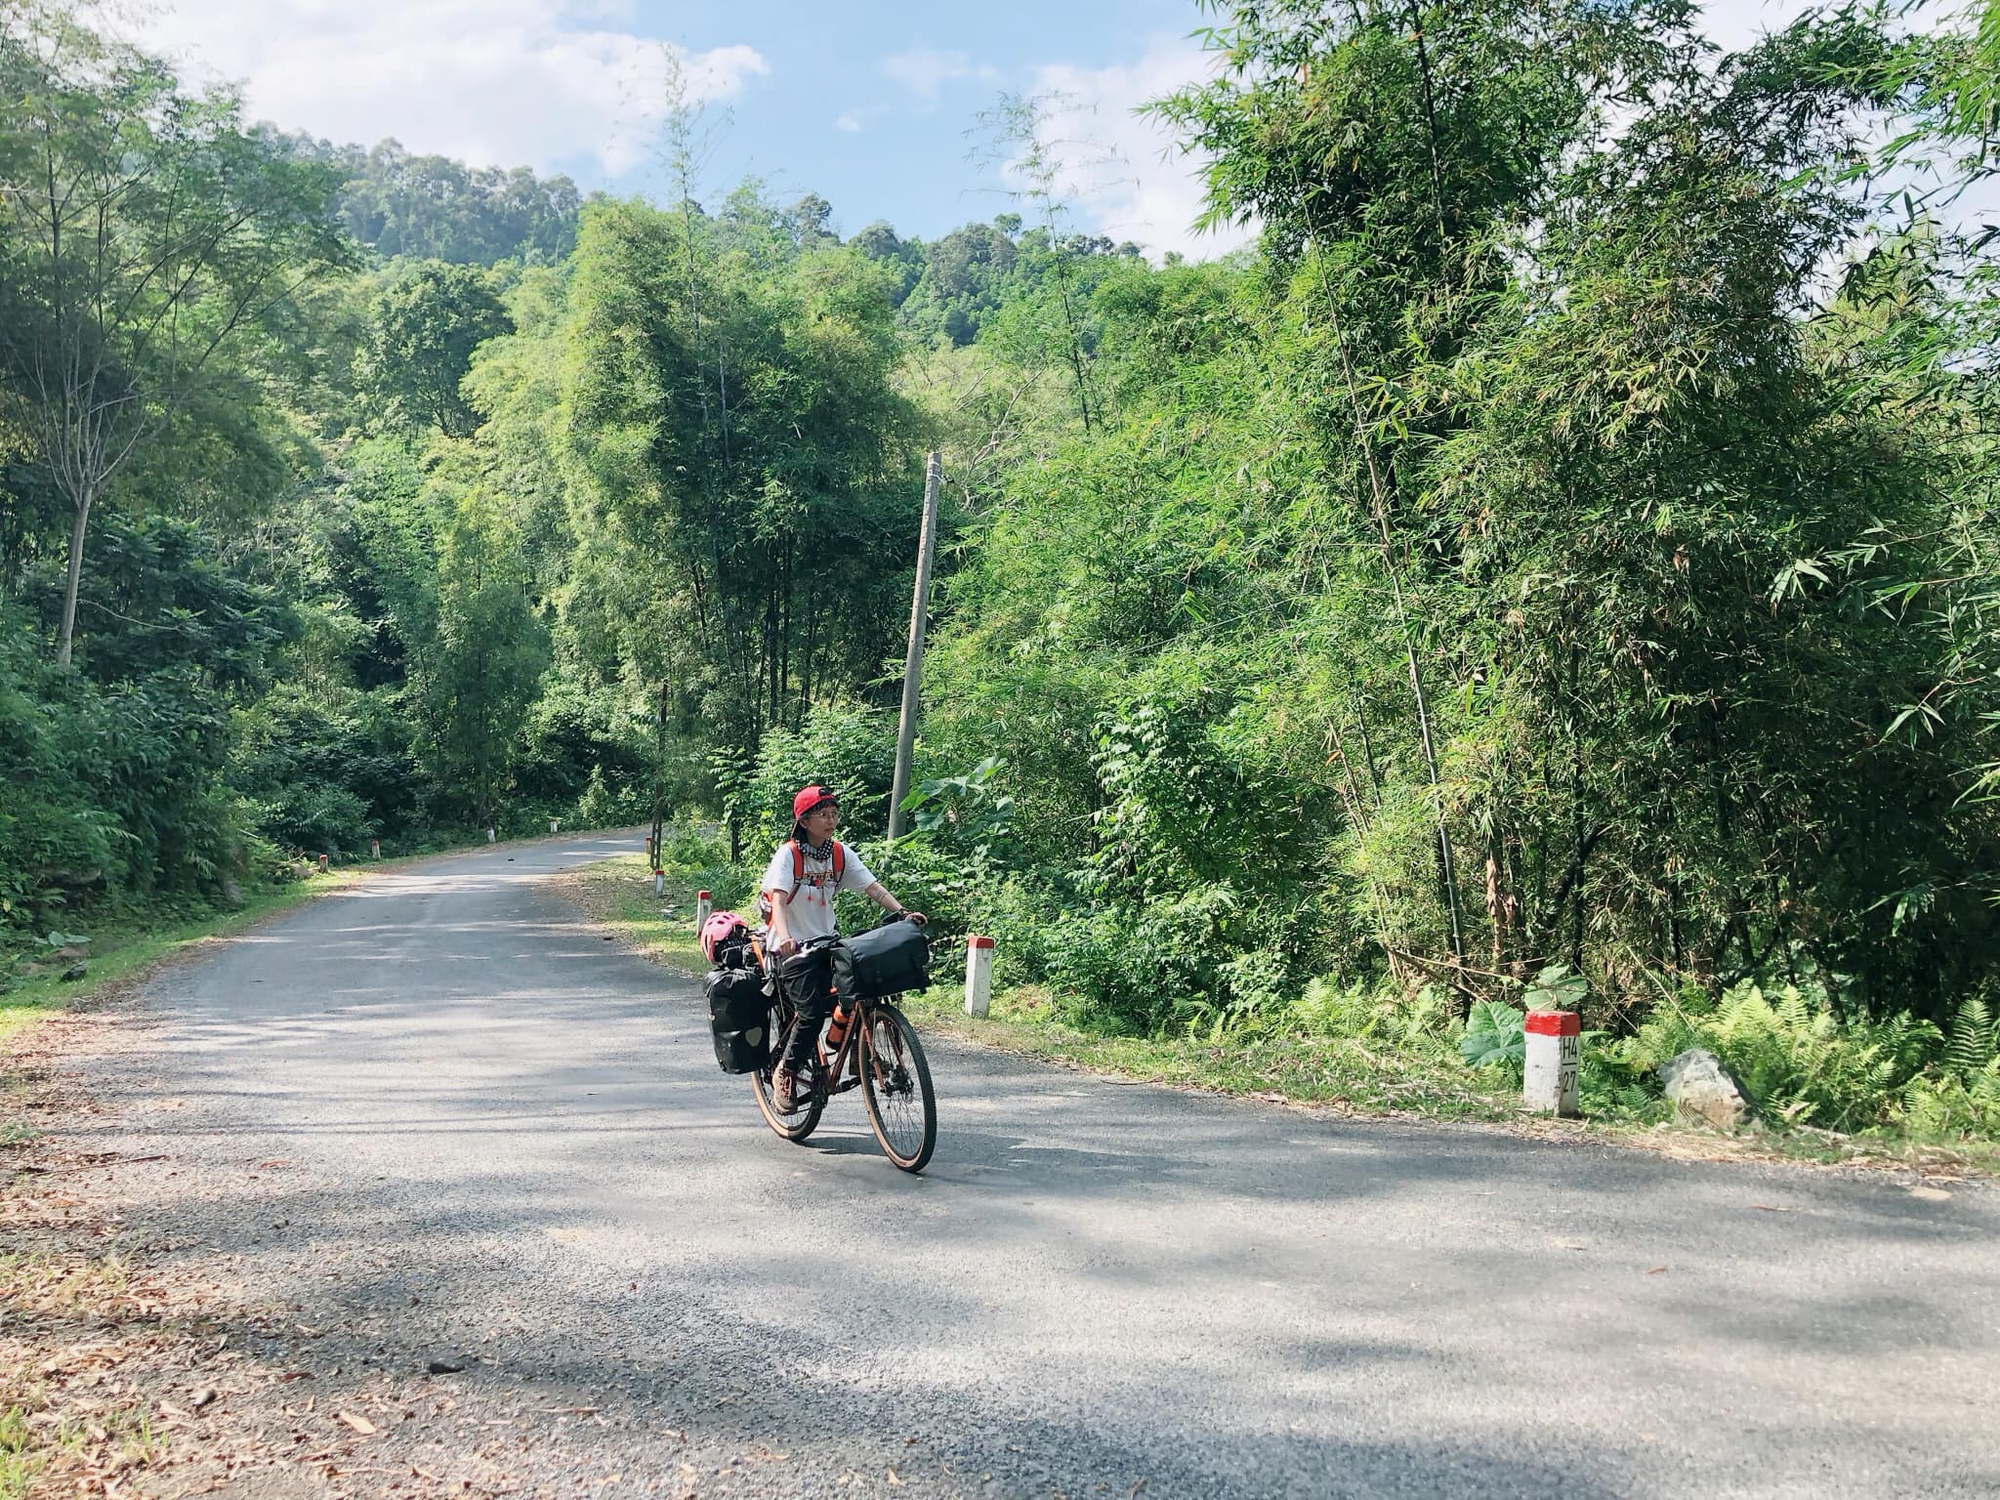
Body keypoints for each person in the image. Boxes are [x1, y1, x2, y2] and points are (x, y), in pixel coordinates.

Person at [762, 785, 925, 1112]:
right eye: (823, 815)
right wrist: (784, 937)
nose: (831, 820)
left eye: (834, 814)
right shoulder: (789, 855)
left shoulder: (839, 853)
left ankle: (857, 1056)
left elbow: (872, 887)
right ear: (804, 820)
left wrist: (902, 912)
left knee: (861, 989)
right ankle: (786, 1071)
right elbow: (778, 901)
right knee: (809, 1015)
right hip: (791, 949)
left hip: (827, 942)